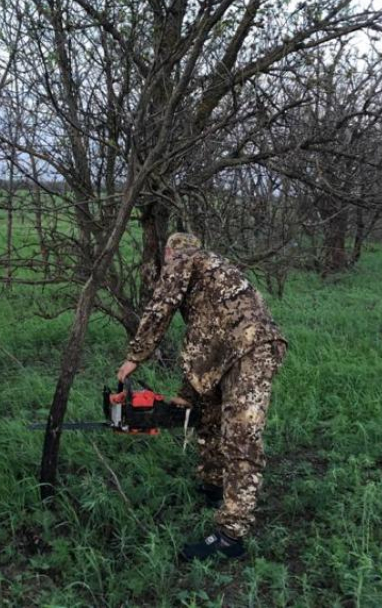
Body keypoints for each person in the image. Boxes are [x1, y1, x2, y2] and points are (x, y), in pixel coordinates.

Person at [117, 232, 287, 561]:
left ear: (171, 252)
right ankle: (212, 486)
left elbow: (160, 308)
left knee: (241, 439)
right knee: (208, 416)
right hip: (233, 350)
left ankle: (230, 536)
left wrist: (134, 357)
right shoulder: (214, 269)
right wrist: (186, 393)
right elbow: (204, 338)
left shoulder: (184, 262)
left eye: (167, 256)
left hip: (252, 352)